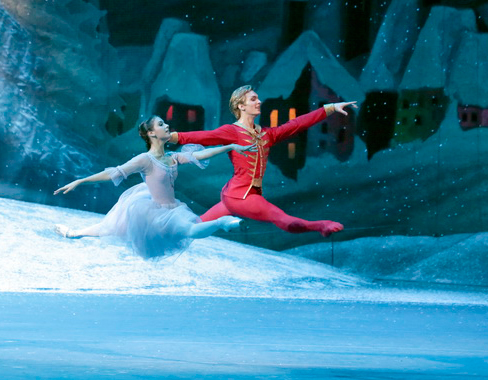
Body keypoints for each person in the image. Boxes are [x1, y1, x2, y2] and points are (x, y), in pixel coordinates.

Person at [54, 115, 257, 259]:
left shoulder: (172, 157)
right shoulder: (145, 159)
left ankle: (222, 222)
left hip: (173, 209)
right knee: (110, 228)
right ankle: (72, 233)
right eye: (161, 124)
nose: (167, 125)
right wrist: (80, 180)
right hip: (152, 212)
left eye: (165, 123)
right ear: (151, 133)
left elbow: (200, 155)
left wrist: (230, 147)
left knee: (189, 230)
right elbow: (114, 172)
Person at [168, 85, 358, 237]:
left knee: (193, 229)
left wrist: (330, 108)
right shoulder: (232, 131)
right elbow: (204, 136)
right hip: (241, 197)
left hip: (233, 196)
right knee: (281, 218)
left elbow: (297, 124)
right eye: (253, 99)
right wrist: (173, 137)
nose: (259, 102)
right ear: (241, 106)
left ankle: (165, 232)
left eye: (258, 98)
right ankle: (320, 226)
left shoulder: (266, 134)